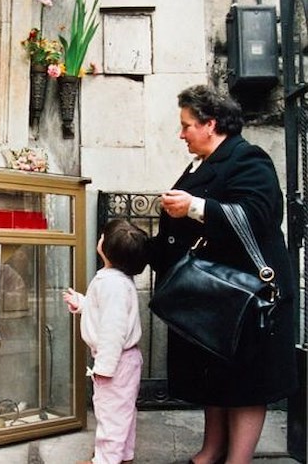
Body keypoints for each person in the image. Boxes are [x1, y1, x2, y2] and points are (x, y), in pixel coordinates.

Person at [148, 84, 299, 464]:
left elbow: (259, 216)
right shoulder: (205, 162)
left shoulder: (249, 159)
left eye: (186, 126)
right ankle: (212, 449)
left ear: (210, 124)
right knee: (216, 377)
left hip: (247, 297)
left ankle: (238, 459)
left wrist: (195, 206)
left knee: (248, 384)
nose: (181, 134)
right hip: (217, 297)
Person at [63, 219, 149, 464]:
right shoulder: (115, 279)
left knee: (111, 416)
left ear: (106, 248)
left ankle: (104, 461)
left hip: (115, 362)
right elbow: (104, 312)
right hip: (123, 360)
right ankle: (123, 458)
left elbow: (112, 330)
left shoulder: (112, 284)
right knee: (122, 414)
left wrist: (104, 368)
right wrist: (82, 303)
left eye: (103, 236)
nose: (100, 238)